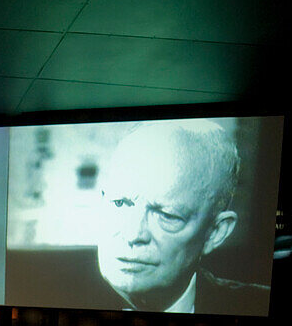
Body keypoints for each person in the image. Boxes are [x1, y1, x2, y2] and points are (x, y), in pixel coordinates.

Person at [87, 119, 268, 315]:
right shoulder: (52, 289)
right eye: (119, 203)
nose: (133, 235)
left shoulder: (256, 305)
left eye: (167, 214)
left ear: (215, 232)